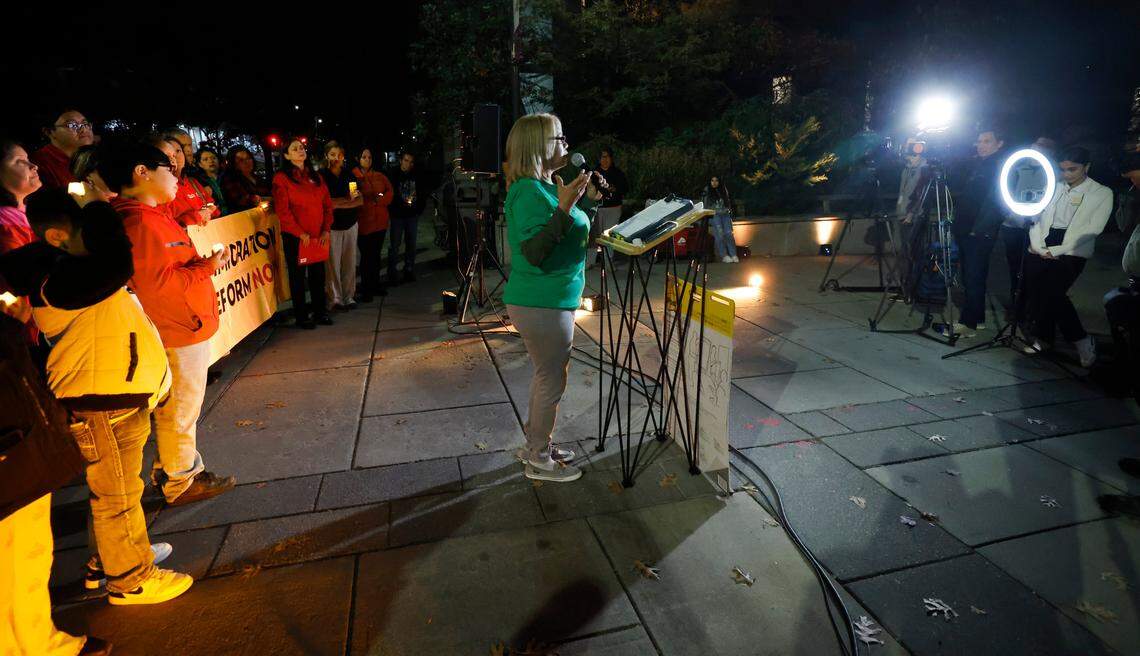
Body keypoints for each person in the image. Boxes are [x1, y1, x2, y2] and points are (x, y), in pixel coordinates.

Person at [0, 189, 192, 607]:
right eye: (88, 234)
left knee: (120, 488)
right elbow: (117, 263)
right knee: (117, 496)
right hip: (100, 401)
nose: (98, 242)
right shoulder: (59, 281)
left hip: (110, 395)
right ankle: (131, 579)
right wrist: (103, 211)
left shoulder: (64, 269)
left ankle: (112, 559)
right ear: (55, 237)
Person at [102, 139, 236, 506]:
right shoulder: (140, 222)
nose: (176, 174)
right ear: (141, 173)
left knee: (177, 405)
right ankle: (181, 478)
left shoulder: (150, 216)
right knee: (182, 405)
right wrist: (207, 267)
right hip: (176, 327)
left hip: (180, 323)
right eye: (167, 167)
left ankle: (171, 469)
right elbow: (157, 286)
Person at [502, 113, 591, 483]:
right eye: (559, 138)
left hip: (552, 299)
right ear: (539, 146)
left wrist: (584, 203)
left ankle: (537, 443)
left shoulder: (545, 185)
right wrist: (565, 207)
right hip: (541, 302)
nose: (566, 144)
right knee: (551, 378)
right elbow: (536, 251)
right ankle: (538, 458)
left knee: (546, 377)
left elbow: (567, 233)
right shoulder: (526, 191)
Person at [1021, 146, 1112, 367]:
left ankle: (1081, 340)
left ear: (1086, 167)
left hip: (1073, 249)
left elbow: (1094, 228)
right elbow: (1036, 215)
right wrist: (1038, 244)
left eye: (1073, 169)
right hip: (1044, 241)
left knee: (1054, 292)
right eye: (1063, 169)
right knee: (1038, 291)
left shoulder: (1101, 192)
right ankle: (1044, 337)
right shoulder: (1054, 187)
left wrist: (1058, 250)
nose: (1067, 174)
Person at [948, 126, 1008, 335]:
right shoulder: (979, 165)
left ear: (999, 144)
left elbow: (997, 204)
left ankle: (969, 324)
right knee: (970, 277)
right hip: (967, 230)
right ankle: (977, 318)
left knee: (973, 277)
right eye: (979, 141)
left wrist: (978, 229)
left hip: (978, 233)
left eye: (987, 141)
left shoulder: (1000, 167)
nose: (981, 145)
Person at [273, 137, 334, 328]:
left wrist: (325, 230)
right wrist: (300, 234)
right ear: (286, 155)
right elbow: (283, 212)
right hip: (296, 238)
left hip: (317, 235)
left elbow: (327, 205)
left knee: (318, 275)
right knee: (298, 278)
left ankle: (320, 312)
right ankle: (302, 316)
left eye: (301, 147)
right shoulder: (281, 179)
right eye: (294, 149)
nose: (300, 150)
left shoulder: (315, 176)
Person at [1001, 136, 1057, 305]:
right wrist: (1007, 213)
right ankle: (1016, 306)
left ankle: (1028, 307)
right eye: (1037, 144)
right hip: (1012, 224)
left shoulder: (1052, 172)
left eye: (1045, 145)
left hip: (1037, 227)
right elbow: (1003, 190)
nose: (1039, 147)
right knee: (1014, 268)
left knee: (1031, 269)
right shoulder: (1017, 166)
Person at [1103, 154, 1140, 400]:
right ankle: (1127, 378)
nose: (1134, 183)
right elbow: (1124, 226)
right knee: (1116, 305)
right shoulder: (1133, 196)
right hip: (1136, 280)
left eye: (1135, 178)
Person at [319, 141, 363, 311]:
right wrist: (345, 201)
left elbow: (358, 200)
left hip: (351, 224)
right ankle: (334, 298)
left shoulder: (349, 175)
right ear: (326, 156)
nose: (336, 158)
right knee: (332, 266)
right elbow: (326, 203)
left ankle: (349, 296)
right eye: (332, 154)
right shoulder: (321, 177)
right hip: (332, 227)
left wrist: (339, 203)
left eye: (339, 154)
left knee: (350, 263)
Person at [353, 147, 394, 301]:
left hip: (380, 222)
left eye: (369, 157)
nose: (367, 160)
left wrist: (380, 199)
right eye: (364, 157)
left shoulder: (379, 176)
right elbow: (354, 198)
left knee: (376, 255)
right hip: (364, 223)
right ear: (358, 158)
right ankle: (366, 288)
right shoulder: (354, 176)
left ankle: (375, 285)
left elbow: (389, 192)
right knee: (366, 257)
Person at [155, 135, 218, 227]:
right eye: (167, 154)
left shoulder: (193, 182)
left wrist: (208, 210)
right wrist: (195, 216)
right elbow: (165, 226)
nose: (175, 157)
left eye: (178, 151)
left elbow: (211, 205)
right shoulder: (159, 190)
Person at [30, 108, 95, 189]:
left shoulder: (95, 156)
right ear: (49, 132)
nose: (84, 129)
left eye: (85, 123)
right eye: (72, 125)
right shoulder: (38, 165)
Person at [387, 150, 425, 284]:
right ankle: (392, 272)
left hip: (412, 215)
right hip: (397, 215)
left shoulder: (416, 174)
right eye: (406, 160)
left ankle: (409, 269)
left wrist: (419, 209)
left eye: (410, 161)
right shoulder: (393, 174)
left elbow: (422, 191)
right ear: (401, 160)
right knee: (395, 244)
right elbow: (389, 192)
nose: (408, 164)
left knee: (411, 244)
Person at [1, 137, 41, 254]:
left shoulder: (26, 210)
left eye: (27, 159)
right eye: (20, 161)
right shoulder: (6, 223)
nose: (34, 166)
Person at [222, 145, 269, 211]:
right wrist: (259, 199)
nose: (247, 162)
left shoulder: (257, 178)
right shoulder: (230, 180)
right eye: (241, 160)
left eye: (248, 158)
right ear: (233, 163)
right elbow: (240, 200)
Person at [703, 175, 738, 263]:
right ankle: (724, 255)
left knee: (729, 234)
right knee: (720, 234)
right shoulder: (707, 190)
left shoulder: (723, 189)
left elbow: (728, 201)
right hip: (715, 215)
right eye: (712, 181)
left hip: (725, 214)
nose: (714, 183)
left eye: (716, 181)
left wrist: (729, 211)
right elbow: (705, 204)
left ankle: (733, 254)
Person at [593, 148, 628, 237]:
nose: (605, 159)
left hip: (613, 208)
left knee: (610, 235)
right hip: (597, 209)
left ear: (611, 158)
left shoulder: (618, 173)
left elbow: (624, 189)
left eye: (608, 157)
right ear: (599, 158)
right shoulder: (594, 173)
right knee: (596, 237)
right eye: (603, 157)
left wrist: (612, 188)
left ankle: (610, 251)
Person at [193, 145, 228, 216]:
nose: (211, 161)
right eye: (205, 159)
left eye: (213, 158)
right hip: (215, 217)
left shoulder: (228, 176)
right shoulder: (199, 182)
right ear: (200, 164)